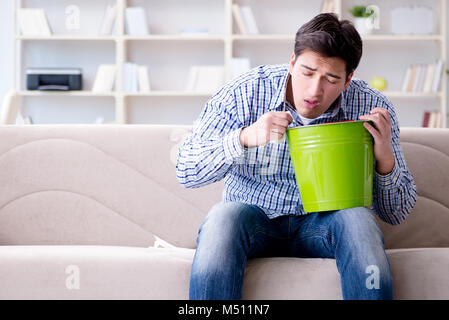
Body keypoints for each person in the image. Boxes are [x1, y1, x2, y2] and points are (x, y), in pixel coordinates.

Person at [176, 13, 417, 300]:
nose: (315, 91)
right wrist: (244, 138)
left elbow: (396, 213)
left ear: (348, 79)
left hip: (326, 225)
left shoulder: (372, 106)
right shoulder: (246, 91)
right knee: (223, 217)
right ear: (292, 62)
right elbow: (186, 169)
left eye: (331, 79)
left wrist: (385, 160)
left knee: (358, 219)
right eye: (307, 72)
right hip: (253, 222)